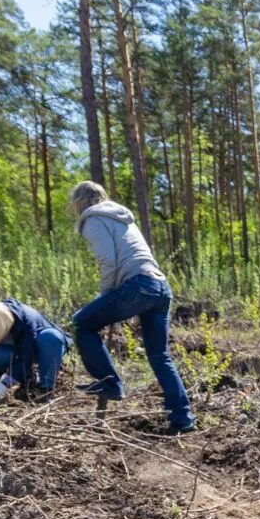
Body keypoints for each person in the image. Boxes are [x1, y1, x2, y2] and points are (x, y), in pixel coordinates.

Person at [69, 181, 196, 434]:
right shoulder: (123, 217)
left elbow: (108, 261)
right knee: (160, 356)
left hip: (138, 285)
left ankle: (109, 383)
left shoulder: (92, 220)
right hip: (160, 285)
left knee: (81, 323)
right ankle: (183, 419)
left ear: (79, 202)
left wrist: (106, 297)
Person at [0, 299, 70, 400]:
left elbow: (26, 355)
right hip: (16, 352)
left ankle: (46, 389)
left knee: (50, 336)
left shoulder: (26, 319)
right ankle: (28, 380)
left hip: (43, 350)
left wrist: (5, 384)